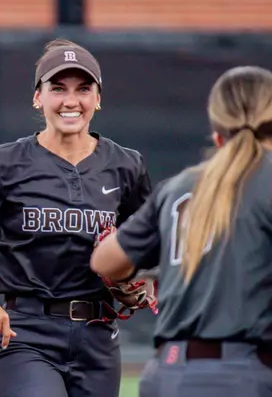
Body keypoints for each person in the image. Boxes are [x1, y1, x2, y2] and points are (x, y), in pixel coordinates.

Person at [0, 39, 152, 397]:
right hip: (26, 332)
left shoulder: (125, 165)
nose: (71, 101)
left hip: (98, 334)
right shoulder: (4, 163)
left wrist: (142, 281)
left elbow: (149, 244)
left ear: (98, 98)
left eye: (83, 89)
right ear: (38, 98)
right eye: (58, 88)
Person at [91, 65, 272, 396]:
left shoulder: (177, 187)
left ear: (217, 134)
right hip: (248, 373)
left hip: (169, 373)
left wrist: (159, 267)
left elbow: (105, 261)